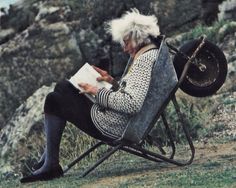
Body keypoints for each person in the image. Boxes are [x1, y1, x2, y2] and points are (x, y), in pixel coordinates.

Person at [20, 8, 160, 183]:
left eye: (126, 42)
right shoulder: (149, 54)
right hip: (119, 120)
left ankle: (51, 164)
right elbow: (134, 92)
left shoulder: (144, 61)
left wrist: (96, 91)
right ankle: (49, 159)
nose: (124, 49)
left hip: (116, 126)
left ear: (138, 37)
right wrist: (111, 82)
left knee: (53, 100)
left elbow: (132, 104)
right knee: (63, 86)